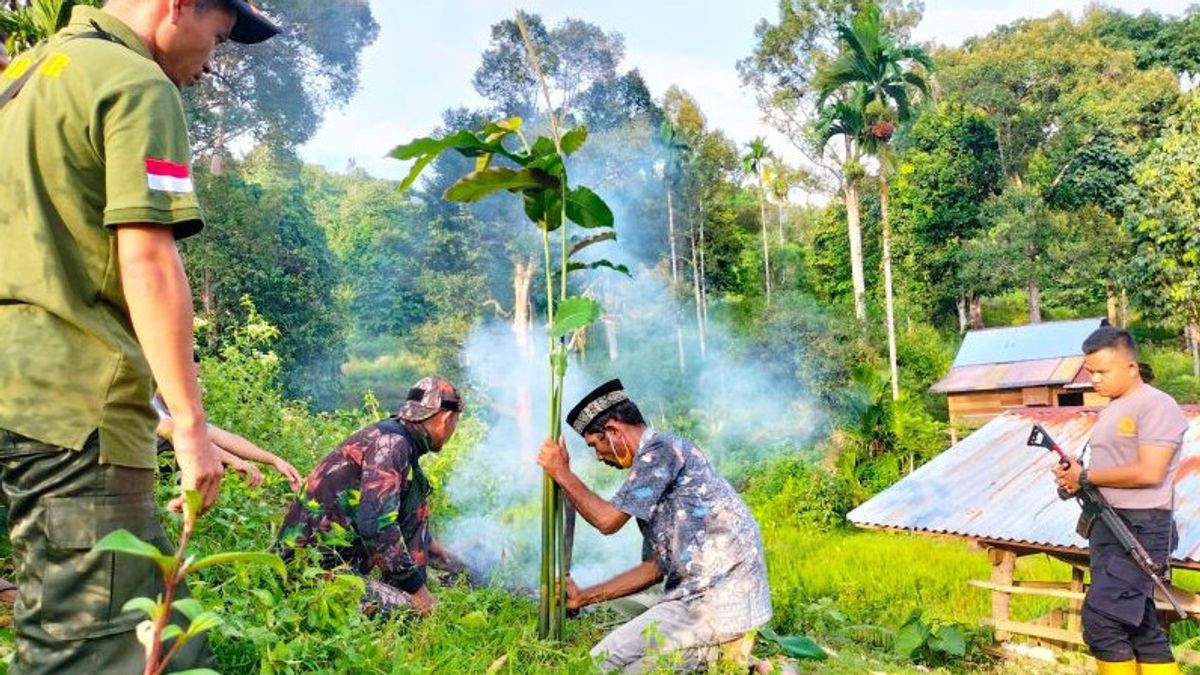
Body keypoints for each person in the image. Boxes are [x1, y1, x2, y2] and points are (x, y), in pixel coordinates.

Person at [0, 1, 278, 672]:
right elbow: (148, 258)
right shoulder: (136, 82)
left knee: (168, 639)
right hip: (77, 408)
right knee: (92, 647)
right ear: (179, 6)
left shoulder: (26, 74)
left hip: (20, 392)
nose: (211, 62)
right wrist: (189, 423)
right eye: (215, 37)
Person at [537, 379, 773, 673]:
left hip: (712, 601)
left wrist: (562, 473)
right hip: (708, 601)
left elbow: (607, 522)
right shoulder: (654, 470)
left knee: (595, 665)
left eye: (595, 445)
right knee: (635, 669)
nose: (598, 456)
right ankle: (732, 661)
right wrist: (584, 597)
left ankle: (728, 659)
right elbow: (654, 568)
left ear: (613, 431)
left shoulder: (661, 449)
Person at [1054, 327, 1189, 675]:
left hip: (1141, 527)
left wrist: (1085, 477)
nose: (1094, 379)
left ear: (1131, 367)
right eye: (1090, 372)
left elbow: (1150, 471)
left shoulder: (1156, 405)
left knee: (1102, 622)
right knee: (1140, 627)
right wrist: (1076, 476)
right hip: (1109, 524)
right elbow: (1112, 470)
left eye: (1102, 371)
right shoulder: (1114, 409)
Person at [278, 376, 468, 616]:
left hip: (328, 562)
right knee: (412, 611)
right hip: (305, 570)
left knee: (416, 502)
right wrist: (419, 595)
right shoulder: (393, 445)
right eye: (456, 421)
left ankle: (405, 587)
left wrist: (443, 556)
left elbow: (405, 516)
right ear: (446, 418)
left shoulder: (396, 437)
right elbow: (377, 526)